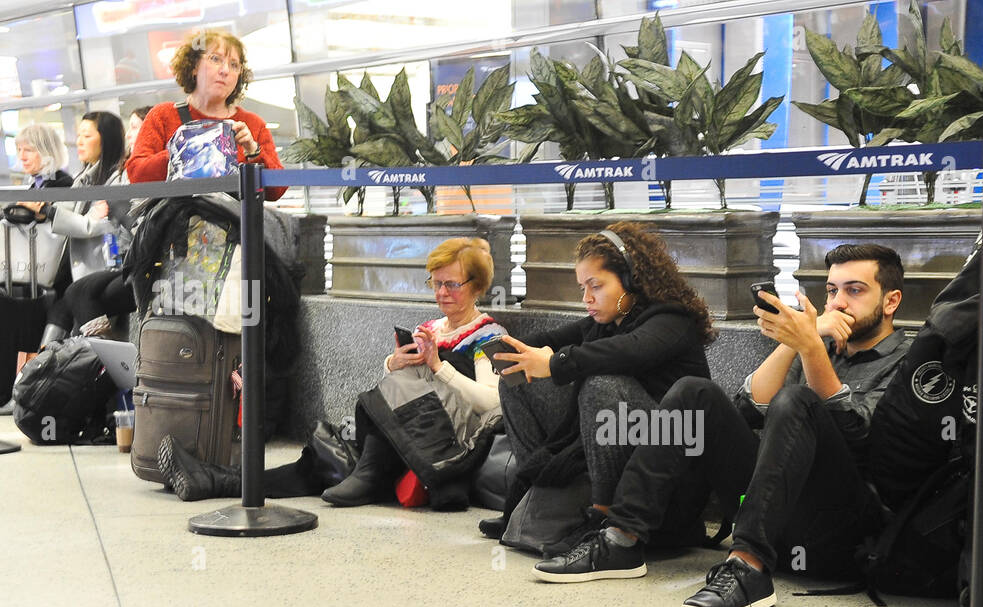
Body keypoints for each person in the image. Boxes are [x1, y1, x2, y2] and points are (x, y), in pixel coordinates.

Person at [533, 243, 910, 607]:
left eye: (854, 290)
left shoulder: (907, 362)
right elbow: (745, 409)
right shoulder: (820, 345)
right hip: (769, 512)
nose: (838, 302)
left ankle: (749, 567)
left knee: (796, 400)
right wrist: (797, 343)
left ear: (891, 301)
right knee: (694, 391)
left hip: (841, 528)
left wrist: (811, 349)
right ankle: (622, 537)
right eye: (831, 291)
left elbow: (861, 439)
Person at [157, 238, 507, 506]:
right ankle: (215, 480)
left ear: (476, 287)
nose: (442, 293)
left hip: (445, 441)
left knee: (335, 463)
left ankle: (217, 479)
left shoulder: (487, 335)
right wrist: (393, 364)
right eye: (436, 283)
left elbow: (492, 402)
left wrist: (438, 367)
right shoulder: (430, 326)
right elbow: (396, 389)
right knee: (321, 463)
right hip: (409, 430)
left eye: (452, 285)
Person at [481, 222, 714, 544]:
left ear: (632, 280)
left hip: (672, 449)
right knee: (518, 379)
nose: (587, 298)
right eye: (582, 288)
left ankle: (603, 520)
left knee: (602, 384)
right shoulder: (604, 322)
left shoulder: (672, 320)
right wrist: (509, 349)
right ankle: (539, 501)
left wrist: (553, 362)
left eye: (596, 286)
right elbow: (549, 340)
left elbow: (629, 351)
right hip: (622, 436)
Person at [125, 28, 286, 201]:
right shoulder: (163, 115)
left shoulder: (252, 124)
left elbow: (277, 191)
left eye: (234, 65)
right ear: (193, 66)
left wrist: (253, 151)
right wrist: (183, 151)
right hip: (178, 225)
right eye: (215, 59)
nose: (225, 70)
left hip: (237, 225)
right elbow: (137, 175)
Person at [39, 112, 136, 338]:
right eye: (78, 135)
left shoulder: (119, 179)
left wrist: (49, 212)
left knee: (83, 333)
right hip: (77, 274)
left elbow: (100, 225)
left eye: (87, 135)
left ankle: (101, 363)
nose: (79, 141)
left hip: (106, 270)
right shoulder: (83, 177)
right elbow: (77, 218)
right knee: (56, 325)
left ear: (107, 139)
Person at [0, 124, 74, 415]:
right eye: (19, 150)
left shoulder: (62, 186)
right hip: (32, 274)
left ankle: (15, 391)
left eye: (28, 149)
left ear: (45, 150)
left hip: (51, 277)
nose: (22, 156)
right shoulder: (38, 185)